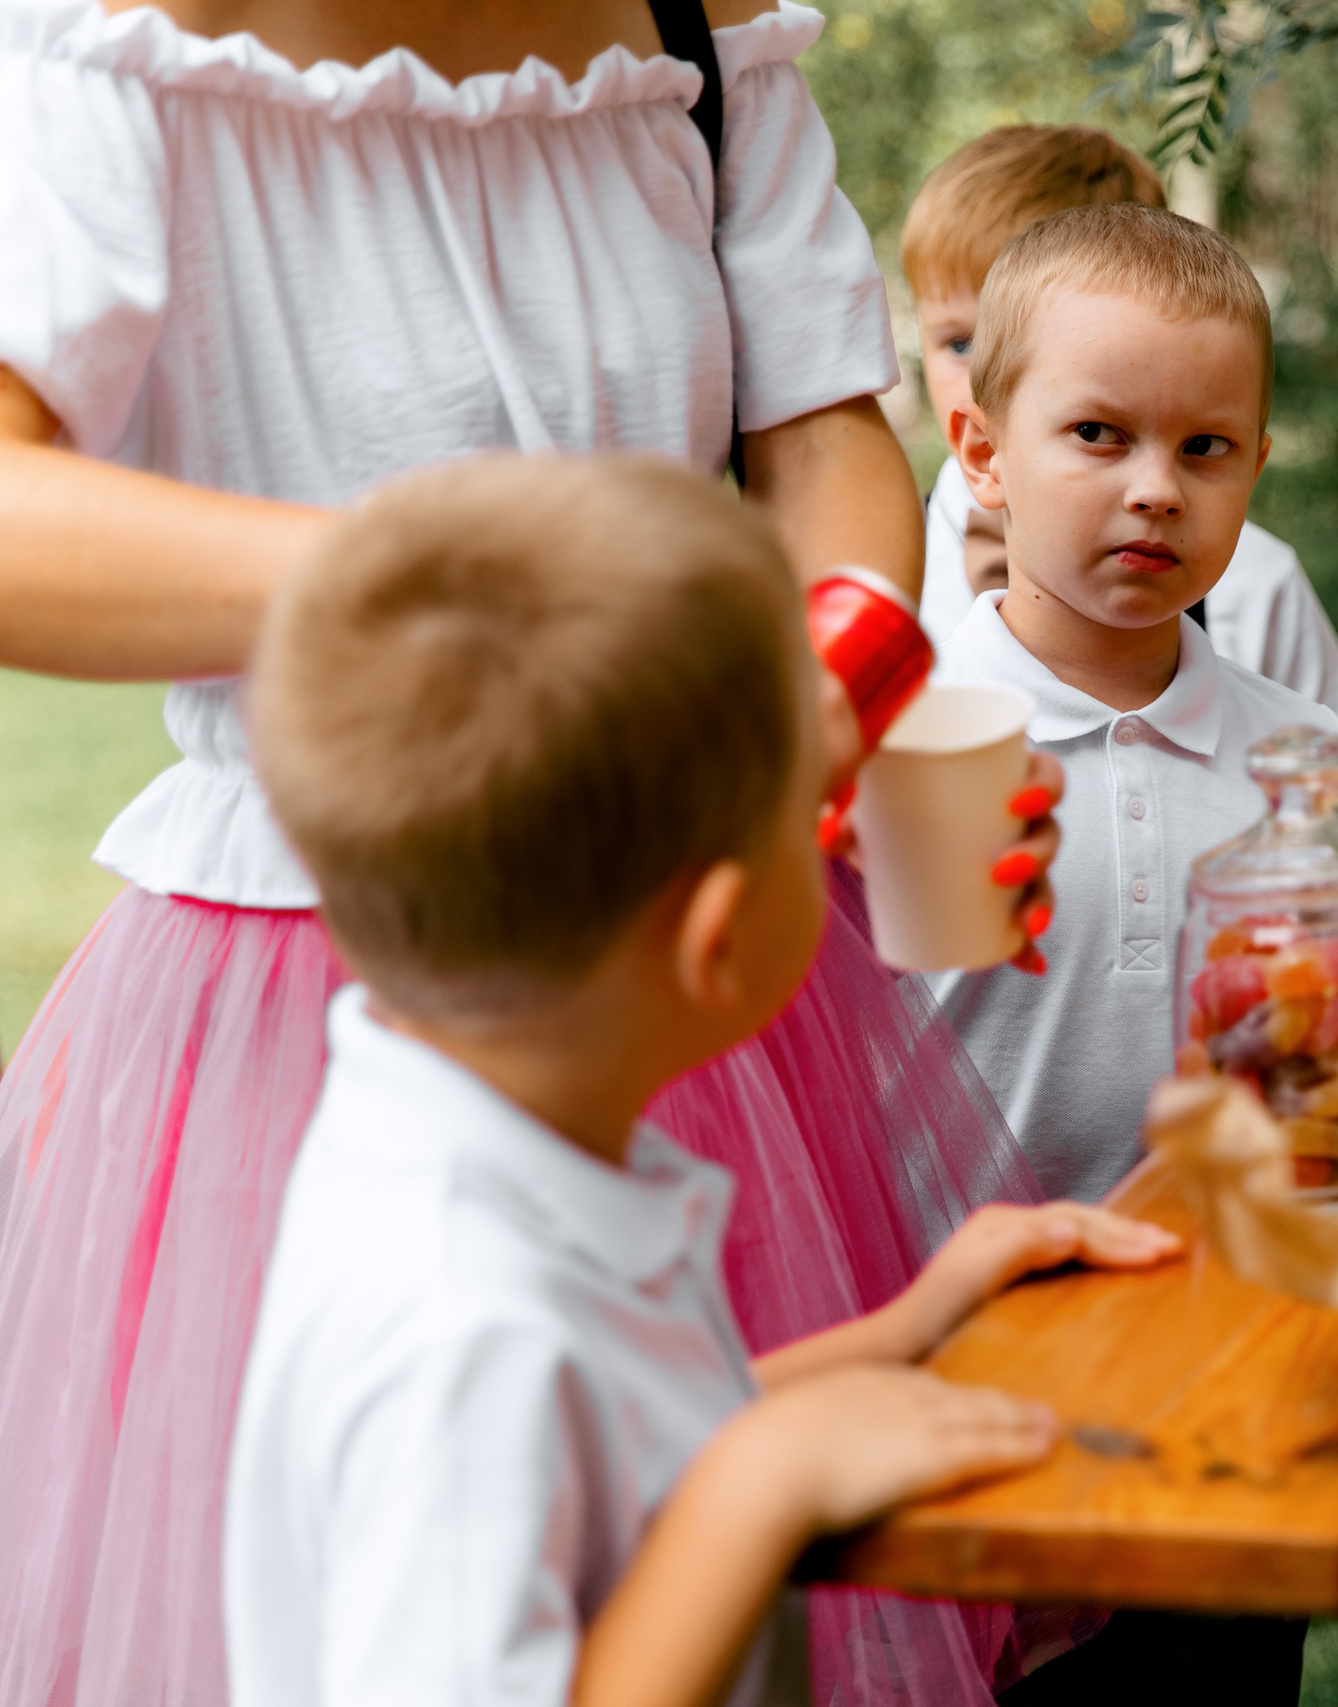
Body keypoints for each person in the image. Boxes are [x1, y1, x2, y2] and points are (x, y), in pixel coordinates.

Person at [0, 2, 1052, 1701]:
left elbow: (821, 425)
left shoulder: (699, 34)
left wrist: (828, 688)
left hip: (660, 875)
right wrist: (525, 613)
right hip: (317, 949)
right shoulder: (104, 50)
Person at [225, 453, 1181, 1707]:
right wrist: (765, 1479)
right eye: (818, 817)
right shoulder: (457, 1322)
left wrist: (908, 1329)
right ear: (717, 938)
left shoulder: (500, 1144)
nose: (842, 847)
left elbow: (616, 1448)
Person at [927, 202, 1324, 1706]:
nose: (1156, 487)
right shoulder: (913, 749)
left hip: (1231, 1386)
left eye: (1205, 448)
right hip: (963, 1384)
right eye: (1097, 434)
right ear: (981, 452)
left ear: (1255, 467)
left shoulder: (1299, 762)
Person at [900, 124, 1338, 744]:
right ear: (982, 448)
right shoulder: (872, 565)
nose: (986, 375)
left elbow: (1333, 772)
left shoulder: (1256, 584)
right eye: (963, 343)